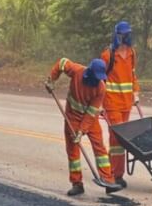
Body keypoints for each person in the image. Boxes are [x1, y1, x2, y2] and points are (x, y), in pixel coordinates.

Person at [47, 57, 120, 196]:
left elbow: (91, 113)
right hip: (72, 117)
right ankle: (77, 184)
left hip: (89, 119)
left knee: (100, 148)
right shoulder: (77, 71)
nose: (98, 81)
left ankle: (108, 181)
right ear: (90, 73)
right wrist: (51, 79)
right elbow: (62, 62)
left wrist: (82, 131)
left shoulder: (101, 88)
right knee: (73, 151)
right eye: (96, 77)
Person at [100, 21, 140, 187]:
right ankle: (115, 175)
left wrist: (135, 92)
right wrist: (100, 103)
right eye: (122, 34)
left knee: (123, 141)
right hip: (112, 103)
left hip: (126, 104)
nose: (125, 37)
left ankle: (116, 173)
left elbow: (132, 75)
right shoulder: (107, 55)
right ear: (117, 35)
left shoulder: (131, 53)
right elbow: (100, 81)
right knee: (116, 140)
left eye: (127, 34)